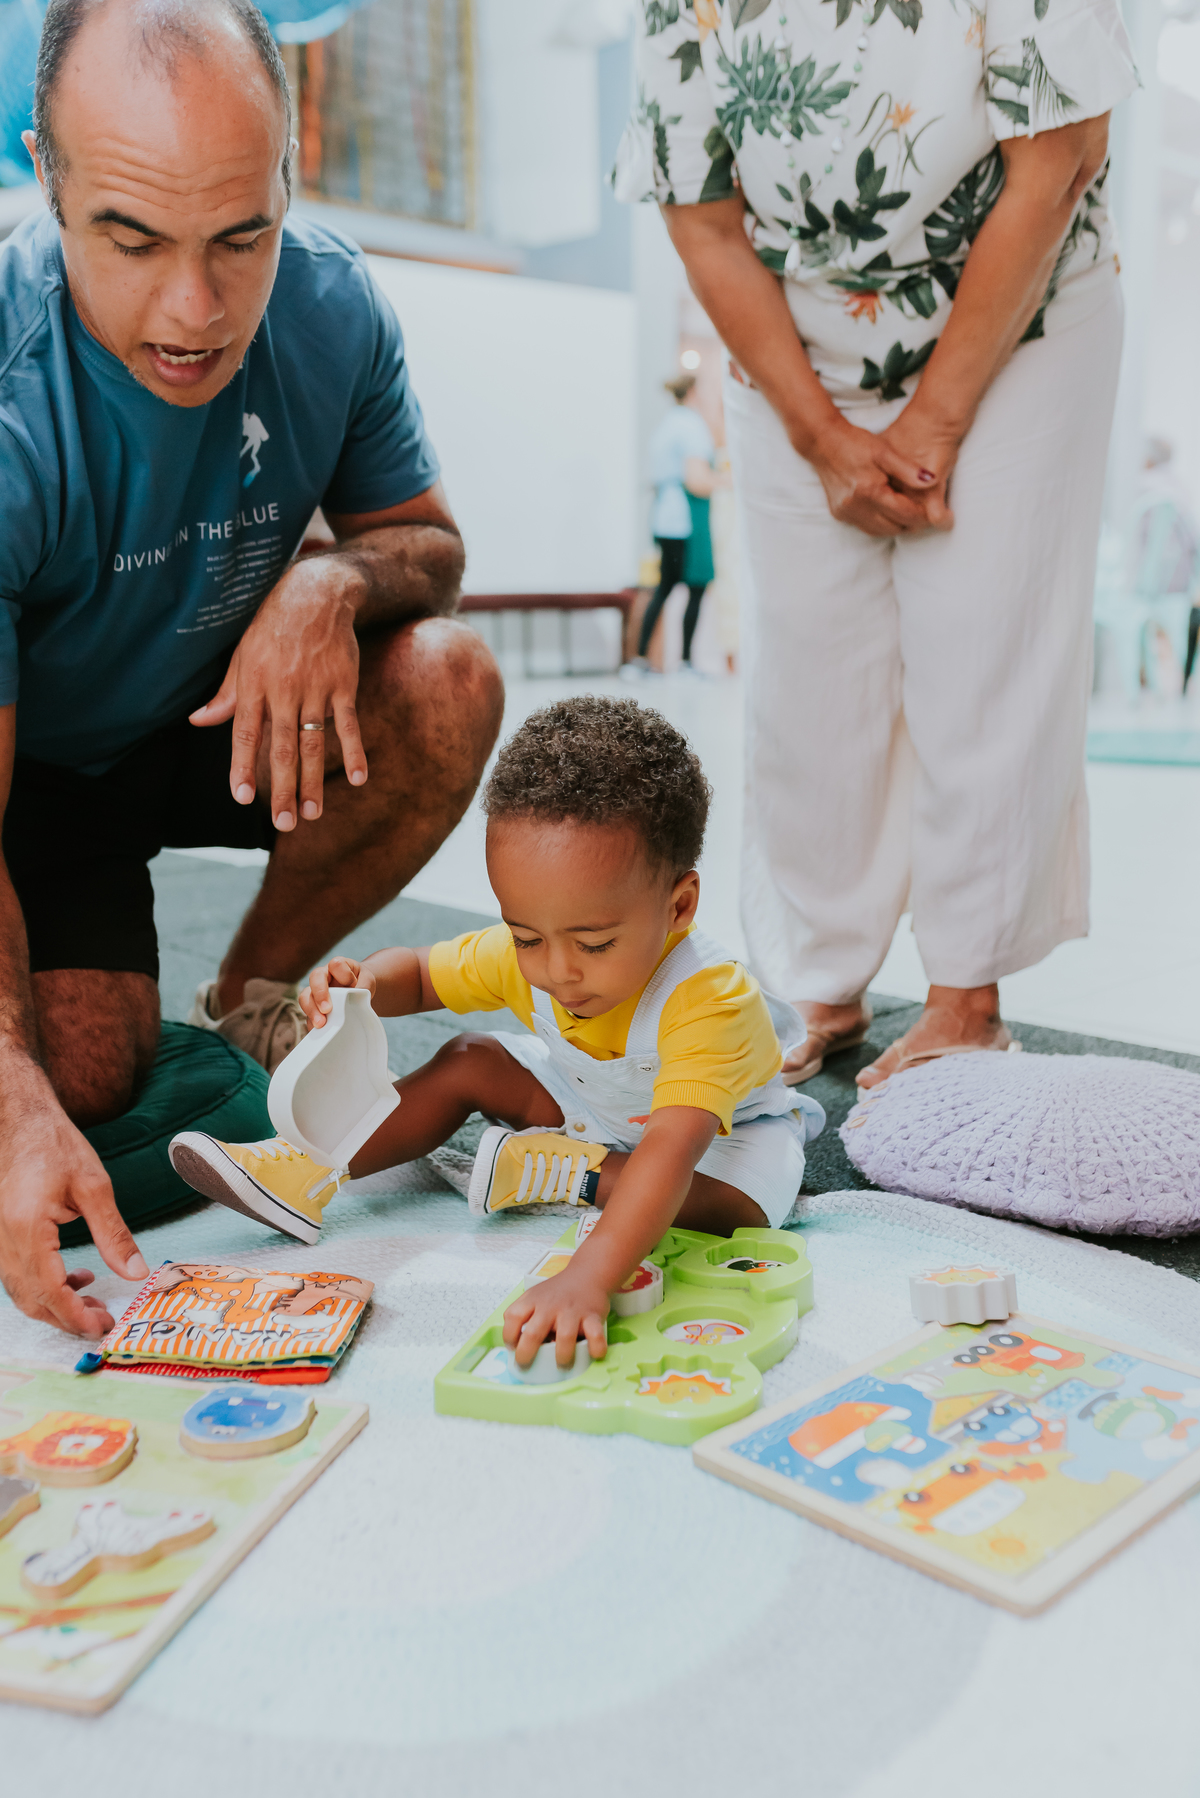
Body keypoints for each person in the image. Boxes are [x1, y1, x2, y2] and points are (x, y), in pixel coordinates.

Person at [0, 0, 503, 1339]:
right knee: (87, 1076)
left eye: (242, 235)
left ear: (289, 176)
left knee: (448, 681)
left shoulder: (334, 302)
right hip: (25, 768)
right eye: (131, 237)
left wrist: (330, 579)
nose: (194, 310)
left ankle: (250, 988)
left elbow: (430, 548)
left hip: (217, 713)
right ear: (46, 179)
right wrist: (12, 1092)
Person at [616, 0, 1137, 1086]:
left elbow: (1063, 156)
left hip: (1020, 314)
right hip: (798, 340)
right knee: (811, 675)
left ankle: (966, 1001)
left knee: (982, 645)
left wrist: (934, 422)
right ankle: (822, 984)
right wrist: (822, 437)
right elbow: (699, 216)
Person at [168, 698, 825, 1367]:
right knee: (470, 1057)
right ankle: (308, 1168)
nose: (557, 970)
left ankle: (573, 1172)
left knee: (735, 1210)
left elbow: (667, 1153)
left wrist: (588, 1275)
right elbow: (421, 975)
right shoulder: (530, 955)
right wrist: (363, 984)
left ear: (678, 906)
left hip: (717, 1143)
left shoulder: (710, 1000)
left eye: (594, 944)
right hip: (592, 1105)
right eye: (527, 936)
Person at [625, 373, 719, 676]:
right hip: (684, 519)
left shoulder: (667, 425)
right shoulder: (692, 426)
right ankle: (686, 662)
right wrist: (730, 481)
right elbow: (698, 480)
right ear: (693, 391)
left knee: (663, 586)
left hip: (663, 516)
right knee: (695, 587)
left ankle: (640, 659)